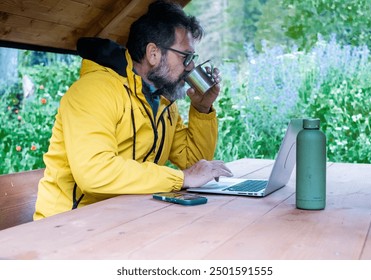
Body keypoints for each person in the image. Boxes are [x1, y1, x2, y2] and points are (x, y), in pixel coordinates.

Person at [33, 0, 233, 219]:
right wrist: (181, 179)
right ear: (153, 53)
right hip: (67, 227)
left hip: (123, 217)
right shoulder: (94, 90)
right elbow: (95, 173)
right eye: (185, 56)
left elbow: (193, 164)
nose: (191, 66)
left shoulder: (163, 102)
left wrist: (202, 109)